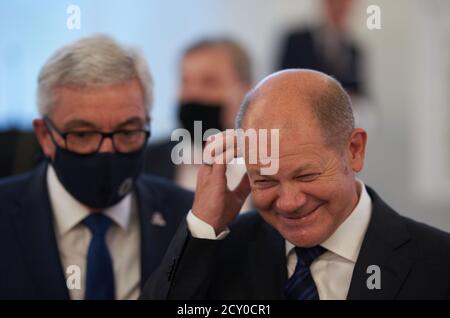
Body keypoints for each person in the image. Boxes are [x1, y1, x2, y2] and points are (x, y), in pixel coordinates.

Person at [141, 69, 450, 300]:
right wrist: (203, 225)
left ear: (354, 150)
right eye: (265, 180)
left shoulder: (437, 262)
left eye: (306, 176)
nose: (288, 202)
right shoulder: (219, 253)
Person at [0, 35, 193, 300]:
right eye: (82, 134)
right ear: (45, 136)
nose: (106, 150)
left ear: (147, 123)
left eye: (127, 131)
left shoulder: (187, 218)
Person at [144, 38, 253, 210]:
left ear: (245, 91)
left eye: (209, 82)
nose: (193, 94)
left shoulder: (270, 162)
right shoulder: (146, 163)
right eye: (185, 82)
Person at [278, 0, 362, 95]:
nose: (341, 8)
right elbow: (283, 82)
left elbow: (358, 90)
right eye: (337, 3)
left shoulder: (353, 50)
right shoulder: (296, 40)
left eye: (346, 4)